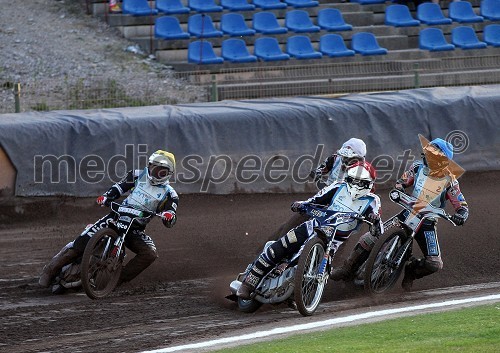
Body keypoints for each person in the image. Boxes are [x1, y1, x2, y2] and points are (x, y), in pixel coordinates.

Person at [331, 138, 469, 291]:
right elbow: (402, 182)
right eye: (428, 152)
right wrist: (400, 188)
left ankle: (411, 271)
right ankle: (347, 269)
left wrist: (461, 214)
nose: (428, 156)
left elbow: (460, 203)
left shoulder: (450, 181)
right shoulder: (417, 167)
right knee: (370, 237)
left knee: (434, 264)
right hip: (407, 213)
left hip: (427, 222)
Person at [237, 161, 382, 300]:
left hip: (334, 241)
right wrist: (301, 205)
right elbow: (315, 200)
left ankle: (300, 293)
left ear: (368, 184)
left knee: (321, 273)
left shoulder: (373, 200)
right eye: (353, 180)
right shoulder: (338, 187)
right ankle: (248, 284)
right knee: (280, 247)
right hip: (312, 226)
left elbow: (378, 229)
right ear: (348, 178)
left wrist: (374, 220)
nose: (355, 185)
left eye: (360, 182)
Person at [38, 150, 179, 291]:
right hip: (116, 217)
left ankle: (115, 280)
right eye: (153, 168)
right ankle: (51, 269)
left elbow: (170, 215)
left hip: (135, 229)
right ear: (148, 166)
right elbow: (119, 187)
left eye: (161, 171)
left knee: (150, 254)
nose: (155, 173)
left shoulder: (170, 193)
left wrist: (168, 216)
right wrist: (106, 197)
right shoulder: (137, 175)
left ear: (169, 173)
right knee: (83, 240)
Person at [267, 138, 367, 242]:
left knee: (341, 232)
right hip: (327, 193)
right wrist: (317, 172)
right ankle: (277, 241)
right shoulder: (335, 158)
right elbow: (323, 168)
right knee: (303, 214)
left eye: (349, 158)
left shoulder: (364, 172)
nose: (346, 160)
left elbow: (366, 192)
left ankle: (330, 252)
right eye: (344, 156)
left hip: (344, 202)